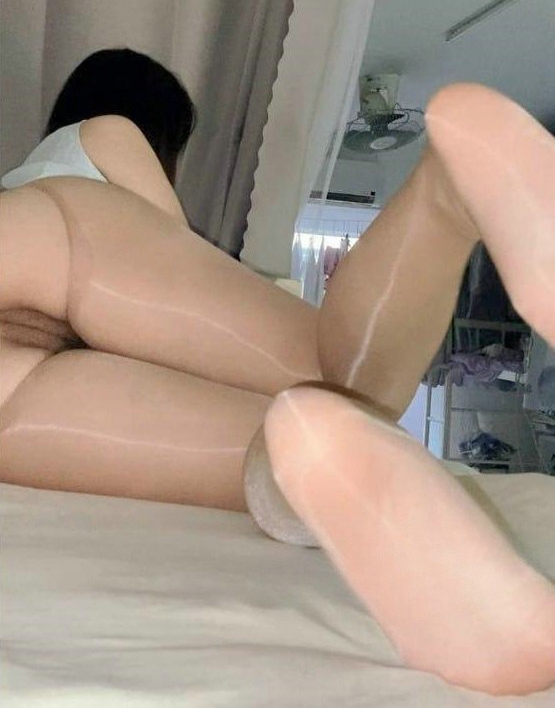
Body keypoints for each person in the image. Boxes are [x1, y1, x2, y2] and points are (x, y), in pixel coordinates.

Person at [0, 69, 554, 696]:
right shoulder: (103, 134)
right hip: (46, 249)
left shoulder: (51, 162)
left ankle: (313, 461)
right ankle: (451, 190)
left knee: (292, 436)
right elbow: (165, 272)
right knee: (335, 389)